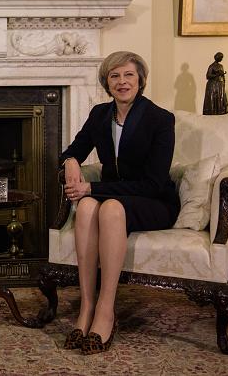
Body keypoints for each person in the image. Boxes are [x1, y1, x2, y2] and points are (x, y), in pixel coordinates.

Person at [59, 51, 179, 355]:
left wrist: (92, 186)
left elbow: (153, 183)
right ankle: (85, 307)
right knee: (86, 206)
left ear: (140, 80)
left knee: (108, 207)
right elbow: (72, 150)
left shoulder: (160, 119)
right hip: (114, 196)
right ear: (106, 82)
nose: (122, 82)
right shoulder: (100, 114)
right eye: (114, 76)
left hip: (152, 201)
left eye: (128, 75)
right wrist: (71, 161)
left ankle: (106, 310)